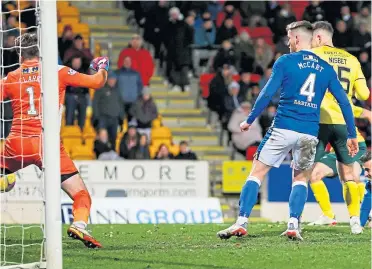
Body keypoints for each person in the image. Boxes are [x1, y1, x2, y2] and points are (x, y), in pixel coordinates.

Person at [217, 21, 358, 241]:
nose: (288, 42)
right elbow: (344, 103)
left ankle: (241, 222)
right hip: (310, 133)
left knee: (257, 173)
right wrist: (351, 134)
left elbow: (266, 93)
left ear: (298, 39)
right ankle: (293, 225)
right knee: (300, 179)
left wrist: (250, 119)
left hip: (283, 126)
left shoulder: (285, 61)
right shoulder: (326, 69)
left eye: (290, 38)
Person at [0, 33, 109, 248]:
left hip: (17, 143)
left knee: (4, 175)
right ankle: (78, 225)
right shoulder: (57, 71)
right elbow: (96, 82)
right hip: (46, 145)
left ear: (19, 53)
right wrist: (102, 66)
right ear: (40, 50)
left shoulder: (10, 77)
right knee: (80, 193)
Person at [308, 21, 370, 233]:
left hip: (322, 122)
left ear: (318, 38)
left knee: (302, 171)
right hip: (346, 124)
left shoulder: (314, 56)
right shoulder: (352, 60)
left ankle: (294, 221)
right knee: (347, 176)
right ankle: (354, 220)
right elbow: (363, 94)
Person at [308, 105, 371, 226]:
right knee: (314, 174)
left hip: (354, 146)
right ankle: (328, 215)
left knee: (353, 176)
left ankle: (367, 214)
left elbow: (368, 113)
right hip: (335, 151)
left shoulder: (343, 102)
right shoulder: (318, 103)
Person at [92, 71, 124, 150]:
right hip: (103, 118)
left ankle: (112, 155)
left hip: (115, 119)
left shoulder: (118, 90)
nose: (112, 81)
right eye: (110, 79)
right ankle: (100, 155)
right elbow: (95, 103)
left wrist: (121, 118)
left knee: (113, 138)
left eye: (114, 79)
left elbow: (120, 104)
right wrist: (96, 116)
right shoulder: (101, 89)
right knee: (102, 138)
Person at [64, 56, 89, 130]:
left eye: (78, 62)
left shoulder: (84, 72)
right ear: (72, 62)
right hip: (70, 95)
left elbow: (86, 87)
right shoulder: (67, 72)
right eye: (75, 62)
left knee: (82, 115)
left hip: (81, 95)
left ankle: (82, 131)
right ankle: (69, 130)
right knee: (69, 115)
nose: (77, 64)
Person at [116, 56, 143, 123]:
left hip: (132, 102)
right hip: (121, 102)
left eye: (129, 61)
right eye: (126, 61)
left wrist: (137, 96)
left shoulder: (136, 74)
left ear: (131, 63)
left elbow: (140, 86)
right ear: (123, 62)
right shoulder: (117, 73)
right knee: (120, 122)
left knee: (131, 123)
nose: (127, 63)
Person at [359, 151, 371, 228]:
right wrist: (360, 225)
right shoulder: (369, 184)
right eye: (364, 170)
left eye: (368, 170)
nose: (365, 174)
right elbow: (366, 206)